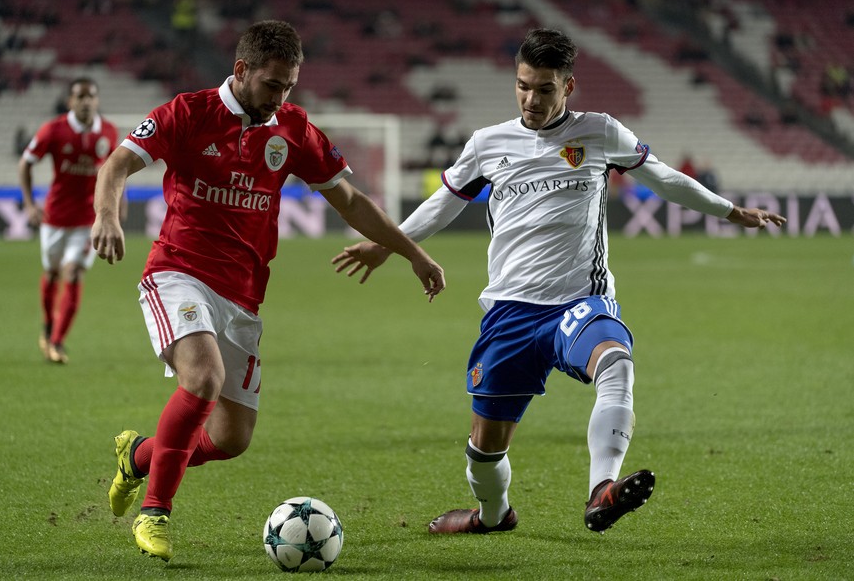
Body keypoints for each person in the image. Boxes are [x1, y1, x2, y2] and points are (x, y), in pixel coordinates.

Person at [332, 28, 786, 536]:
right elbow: (443, 203)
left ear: (568, 86)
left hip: (579, 301)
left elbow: (664, 177)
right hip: (509, 312)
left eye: (544, 89)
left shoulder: (600, 132)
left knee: (615, 361)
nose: (531, 99)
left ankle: (602, 491)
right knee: (484, 453)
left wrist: (729, 211)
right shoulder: (488, 144)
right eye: (523, 85)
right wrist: (384, 245)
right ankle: (492, 515)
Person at [90, 20, 445, 562]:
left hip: (243, 296)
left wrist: (412, 252)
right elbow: (117, 164)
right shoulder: (187, 113)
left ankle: (138, 457)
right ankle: (155, 512)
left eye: (289, 87)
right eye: (272, 85)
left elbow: (348, 200)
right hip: (178, 272)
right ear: (241, 71)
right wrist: (107, 216)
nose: (280, 97)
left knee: (232, 439)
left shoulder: (293, 130)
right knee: (202, 378)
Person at [18, 77, 120, 363]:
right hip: (55, 217)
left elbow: (116, 171)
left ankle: (58, 341)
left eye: (91, 96)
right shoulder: (54, 130)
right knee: (51, 273)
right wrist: (28, 204)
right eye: (80, 96)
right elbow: (25, 162)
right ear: (70, 101)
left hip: (89, 218)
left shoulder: (109, 132)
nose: (86, 101)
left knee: (73, 272)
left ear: (97, 101)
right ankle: (48, 325)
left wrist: (115, 207)